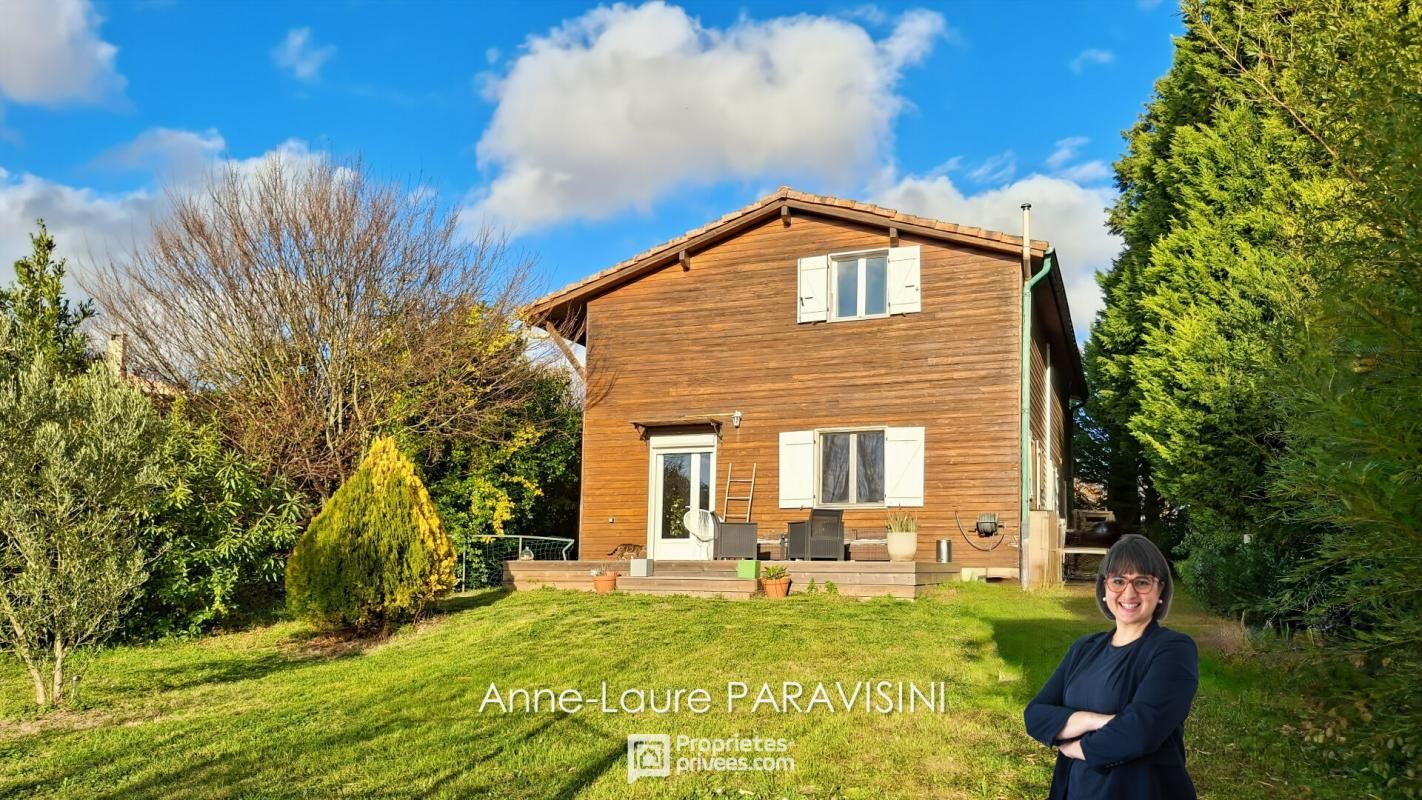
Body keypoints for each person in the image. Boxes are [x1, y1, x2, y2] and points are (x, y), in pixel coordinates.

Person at [1024, 534, 1199, 799]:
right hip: (1077, 790)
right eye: (1118, 581)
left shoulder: (1174, 650)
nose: (1129, 593)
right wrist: (1092, 720)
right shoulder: (1084, 648)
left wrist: (1077, 747)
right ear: (1104, 588)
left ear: (1160, 590)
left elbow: (1141, 731)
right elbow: (1035, 715)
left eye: (1142, 582)